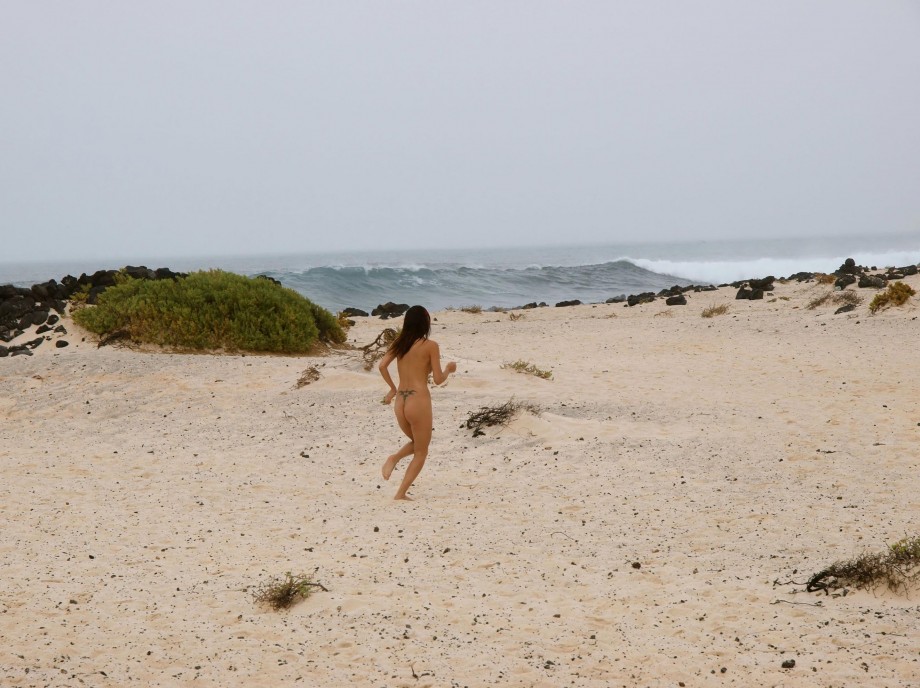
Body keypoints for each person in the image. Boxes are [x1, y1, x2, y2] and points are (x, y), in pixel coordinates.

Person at [378, 305, 456, 500]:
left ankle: (394, 459)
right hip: (418, 400)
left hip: (400, 402)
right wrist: (449, 370)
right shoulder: (430, 346)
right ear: (425, 322)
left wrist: (392, 389)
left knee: (417, 443)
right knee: (421, 451)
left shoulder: (399, 343)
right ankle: (400, 491)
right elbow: (438, 379)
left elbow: (381, 366)